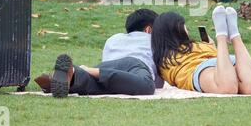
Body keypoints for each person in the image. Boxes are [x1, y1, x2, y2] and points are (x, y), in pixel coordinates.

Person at [35, 9, 164, 98]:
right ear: (149, 30)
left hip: (104, 66)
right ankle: (87, 70)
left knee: (97, 86)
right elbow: (159, 78)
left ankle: (72, 74)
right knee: (147, 86)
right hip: (135, 66)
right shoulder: (154, 39)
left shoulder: (114, 38)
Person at [151, 6, 251, 95]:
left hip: (201, 69)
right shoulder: (197, 45)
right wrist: (212, 48)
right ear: (179, 29)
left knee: (227, 89)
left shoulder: (164, 59)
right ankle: (234, 35)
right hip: (223, 63)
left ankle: (221, 36)